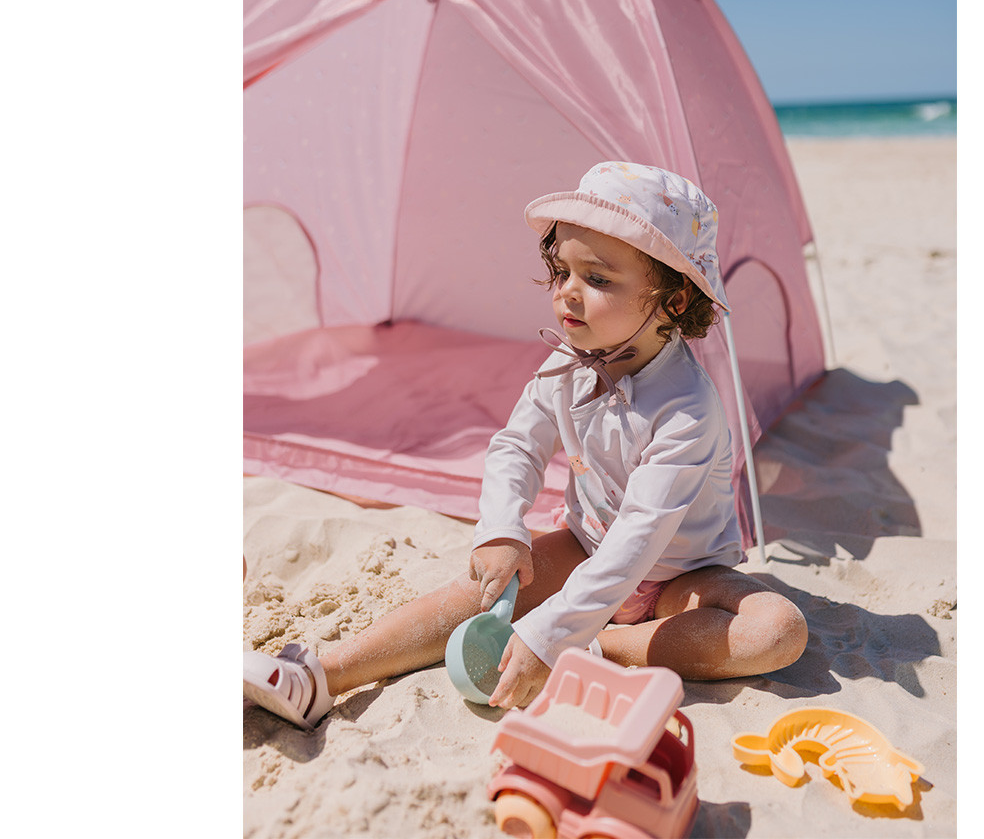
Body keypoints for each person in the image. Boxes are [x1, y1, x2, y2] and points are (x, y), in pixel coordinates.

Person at [243, 161, 808, 729]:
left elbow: (639, 538)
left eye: (598, 279)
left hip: (681, 577)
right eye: (562, 271)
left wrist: (553, 634)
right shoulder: (566, 363)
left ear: (676, 300)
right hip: (587, 546)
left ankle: (602, 649)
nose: (568, 293)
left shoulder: (688, 410)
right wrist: (502, 528)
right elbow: (517, 445)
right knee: (480, 590)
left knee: (777, 630)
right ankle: (320, 676)